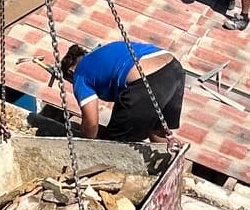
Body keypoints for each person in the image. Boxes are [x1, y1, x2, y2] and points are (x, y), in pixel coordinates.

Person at [57, 40, 185, 142]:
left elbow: (91, 125)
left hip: (146, 79)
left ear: (70, 71)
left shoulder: (79, 74)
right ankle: (172, 159)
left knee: (114, 142)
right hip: (174, 68)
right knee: (159, 132)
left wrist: (83, 140)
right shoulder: (102, 52)